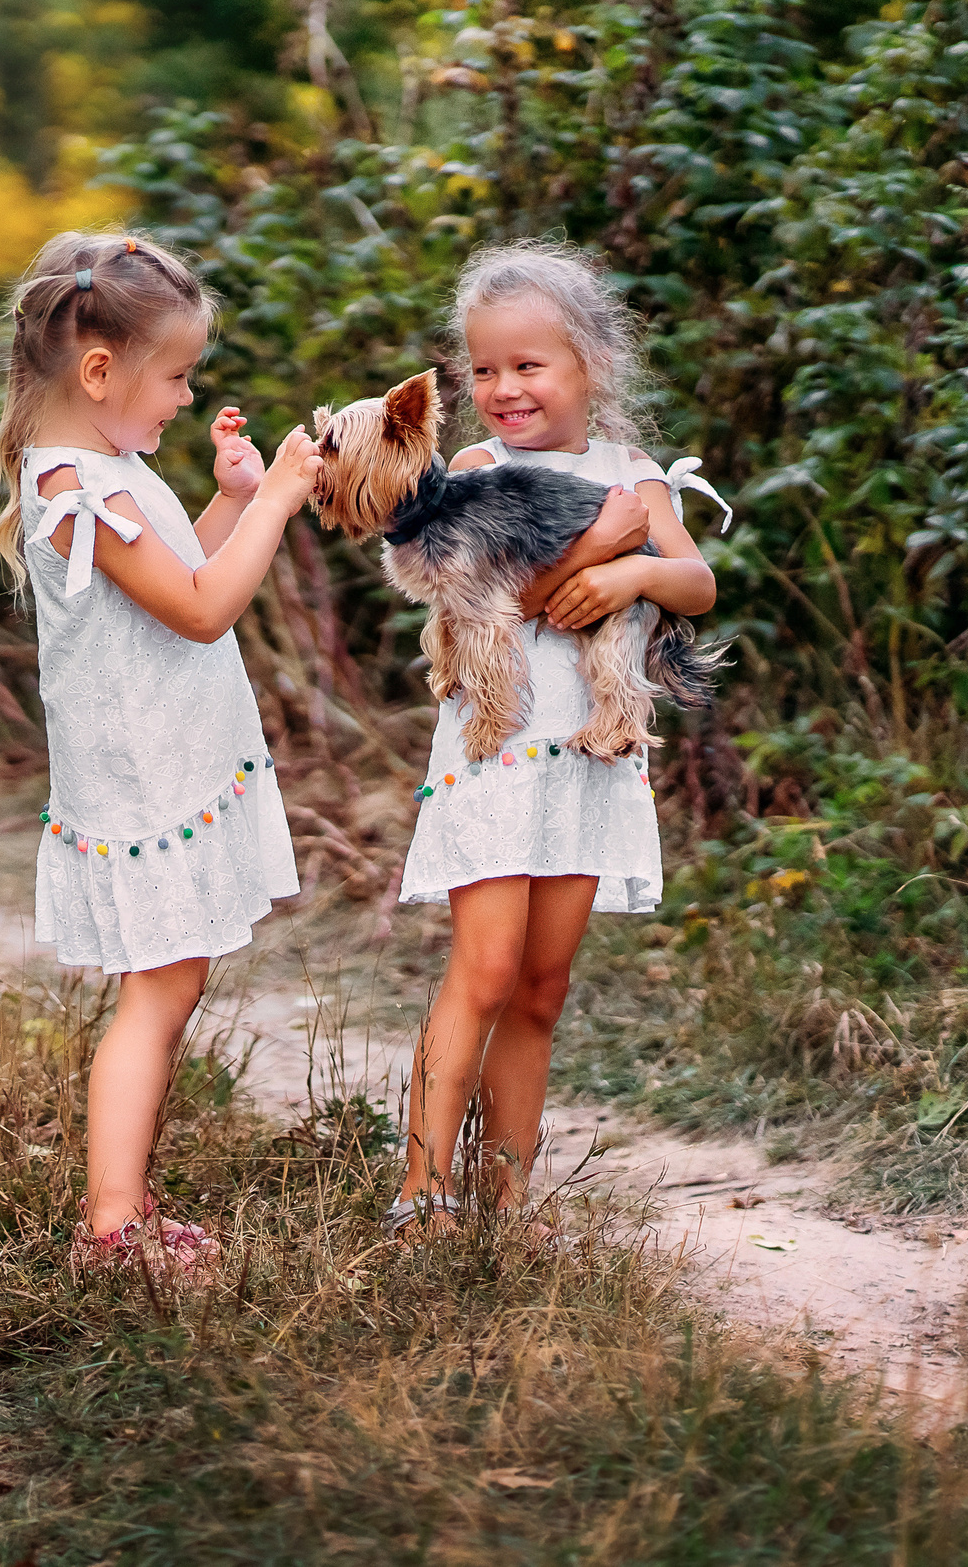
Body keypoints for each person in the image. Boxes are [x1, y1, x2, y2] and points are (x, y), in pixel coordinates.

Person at [0, 230, 323, 1275]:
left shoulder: (108, 472)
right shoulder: (82, 488)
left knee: (170, 987)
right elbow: (202, 609)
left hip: (165, 757)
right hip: (143, 773)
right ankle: (112, 1225)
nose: (185, 400)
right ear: (99, 372)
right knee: (157, 994)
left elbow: (187, 573)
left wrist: (230, 495)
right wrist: (277, 501)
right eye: (176, 376)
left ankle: (123, 1203)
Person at [388, 237, 722, 1237]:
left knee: (540, 985)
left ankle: (508, 1200)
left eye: (527, 365)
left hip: (584, 759)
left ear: (592, 365)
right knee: (483, 974)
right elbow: (511, 596)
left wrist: (629, 573)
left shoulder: (631, 474)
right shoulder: (479, 470)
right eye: (483, 369)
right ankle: (421, 1191)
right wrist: (599, 546)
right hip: (495, 755)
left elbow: (695, 581)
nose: (502, 388)